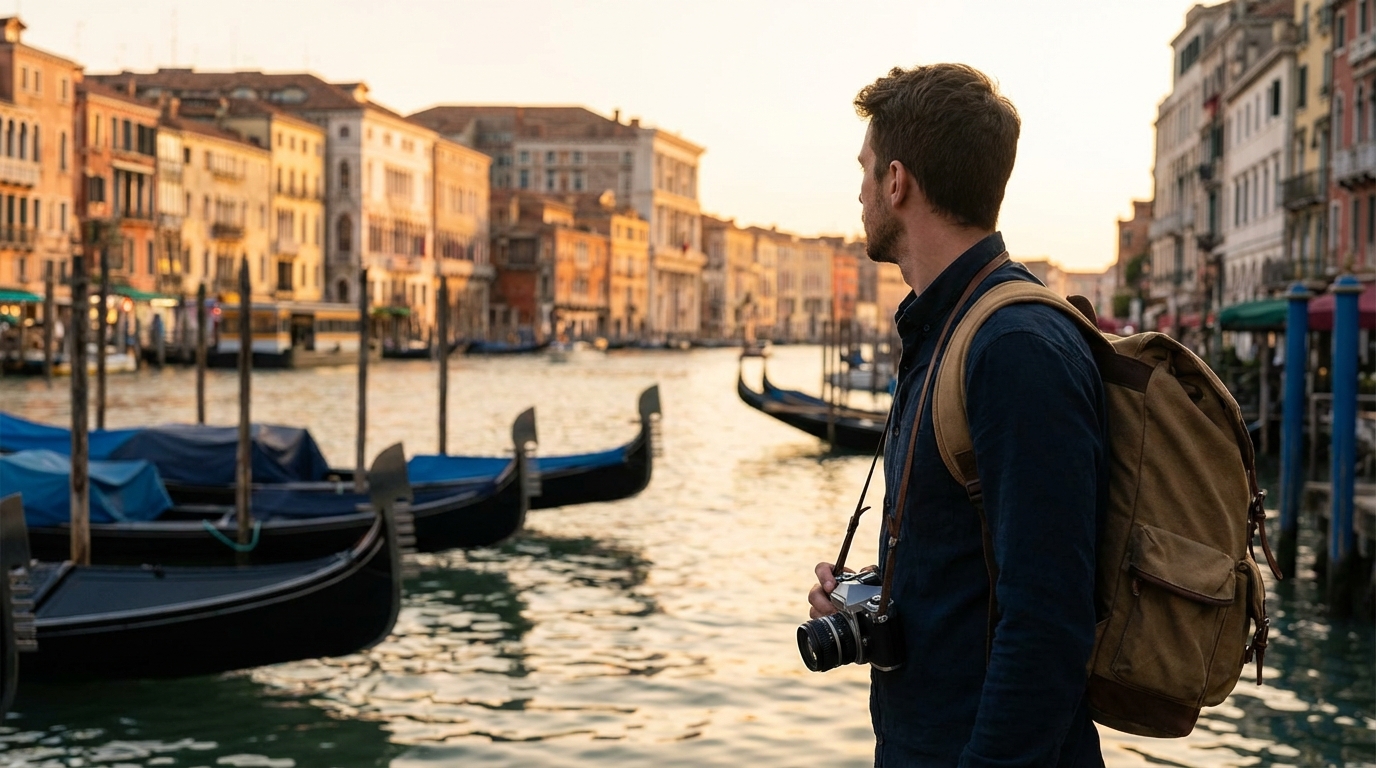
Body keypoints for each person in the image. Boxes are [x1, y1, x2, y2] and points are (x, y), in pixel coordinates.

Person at [807, 64, 1107, 767]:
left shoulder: (1012, 348)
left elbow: (1048, 622)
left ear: (896, 182)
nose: (859, 192)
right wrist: (873, 596)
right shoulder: (949, 331)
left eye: (865, 170)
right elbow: (974, 566)